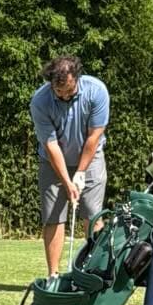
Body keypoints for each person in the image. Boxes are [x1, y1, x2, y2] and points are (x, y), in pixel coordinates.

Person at [29, 54, 110, 275]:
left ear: (77, 78)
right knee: (53, 216)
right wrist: (67, 181)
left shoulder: (97, 91)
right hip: (52, 162)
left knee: (92, 214)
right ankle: (53, 274)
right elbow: (50, 145)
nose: (64, 97)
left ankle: (95, 273)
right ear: (51, 84)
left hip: (91, 158)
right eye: (59, 92)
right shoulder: (40, 101)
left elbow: (94, 137)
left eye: (69, 92)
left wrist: (81, 173)